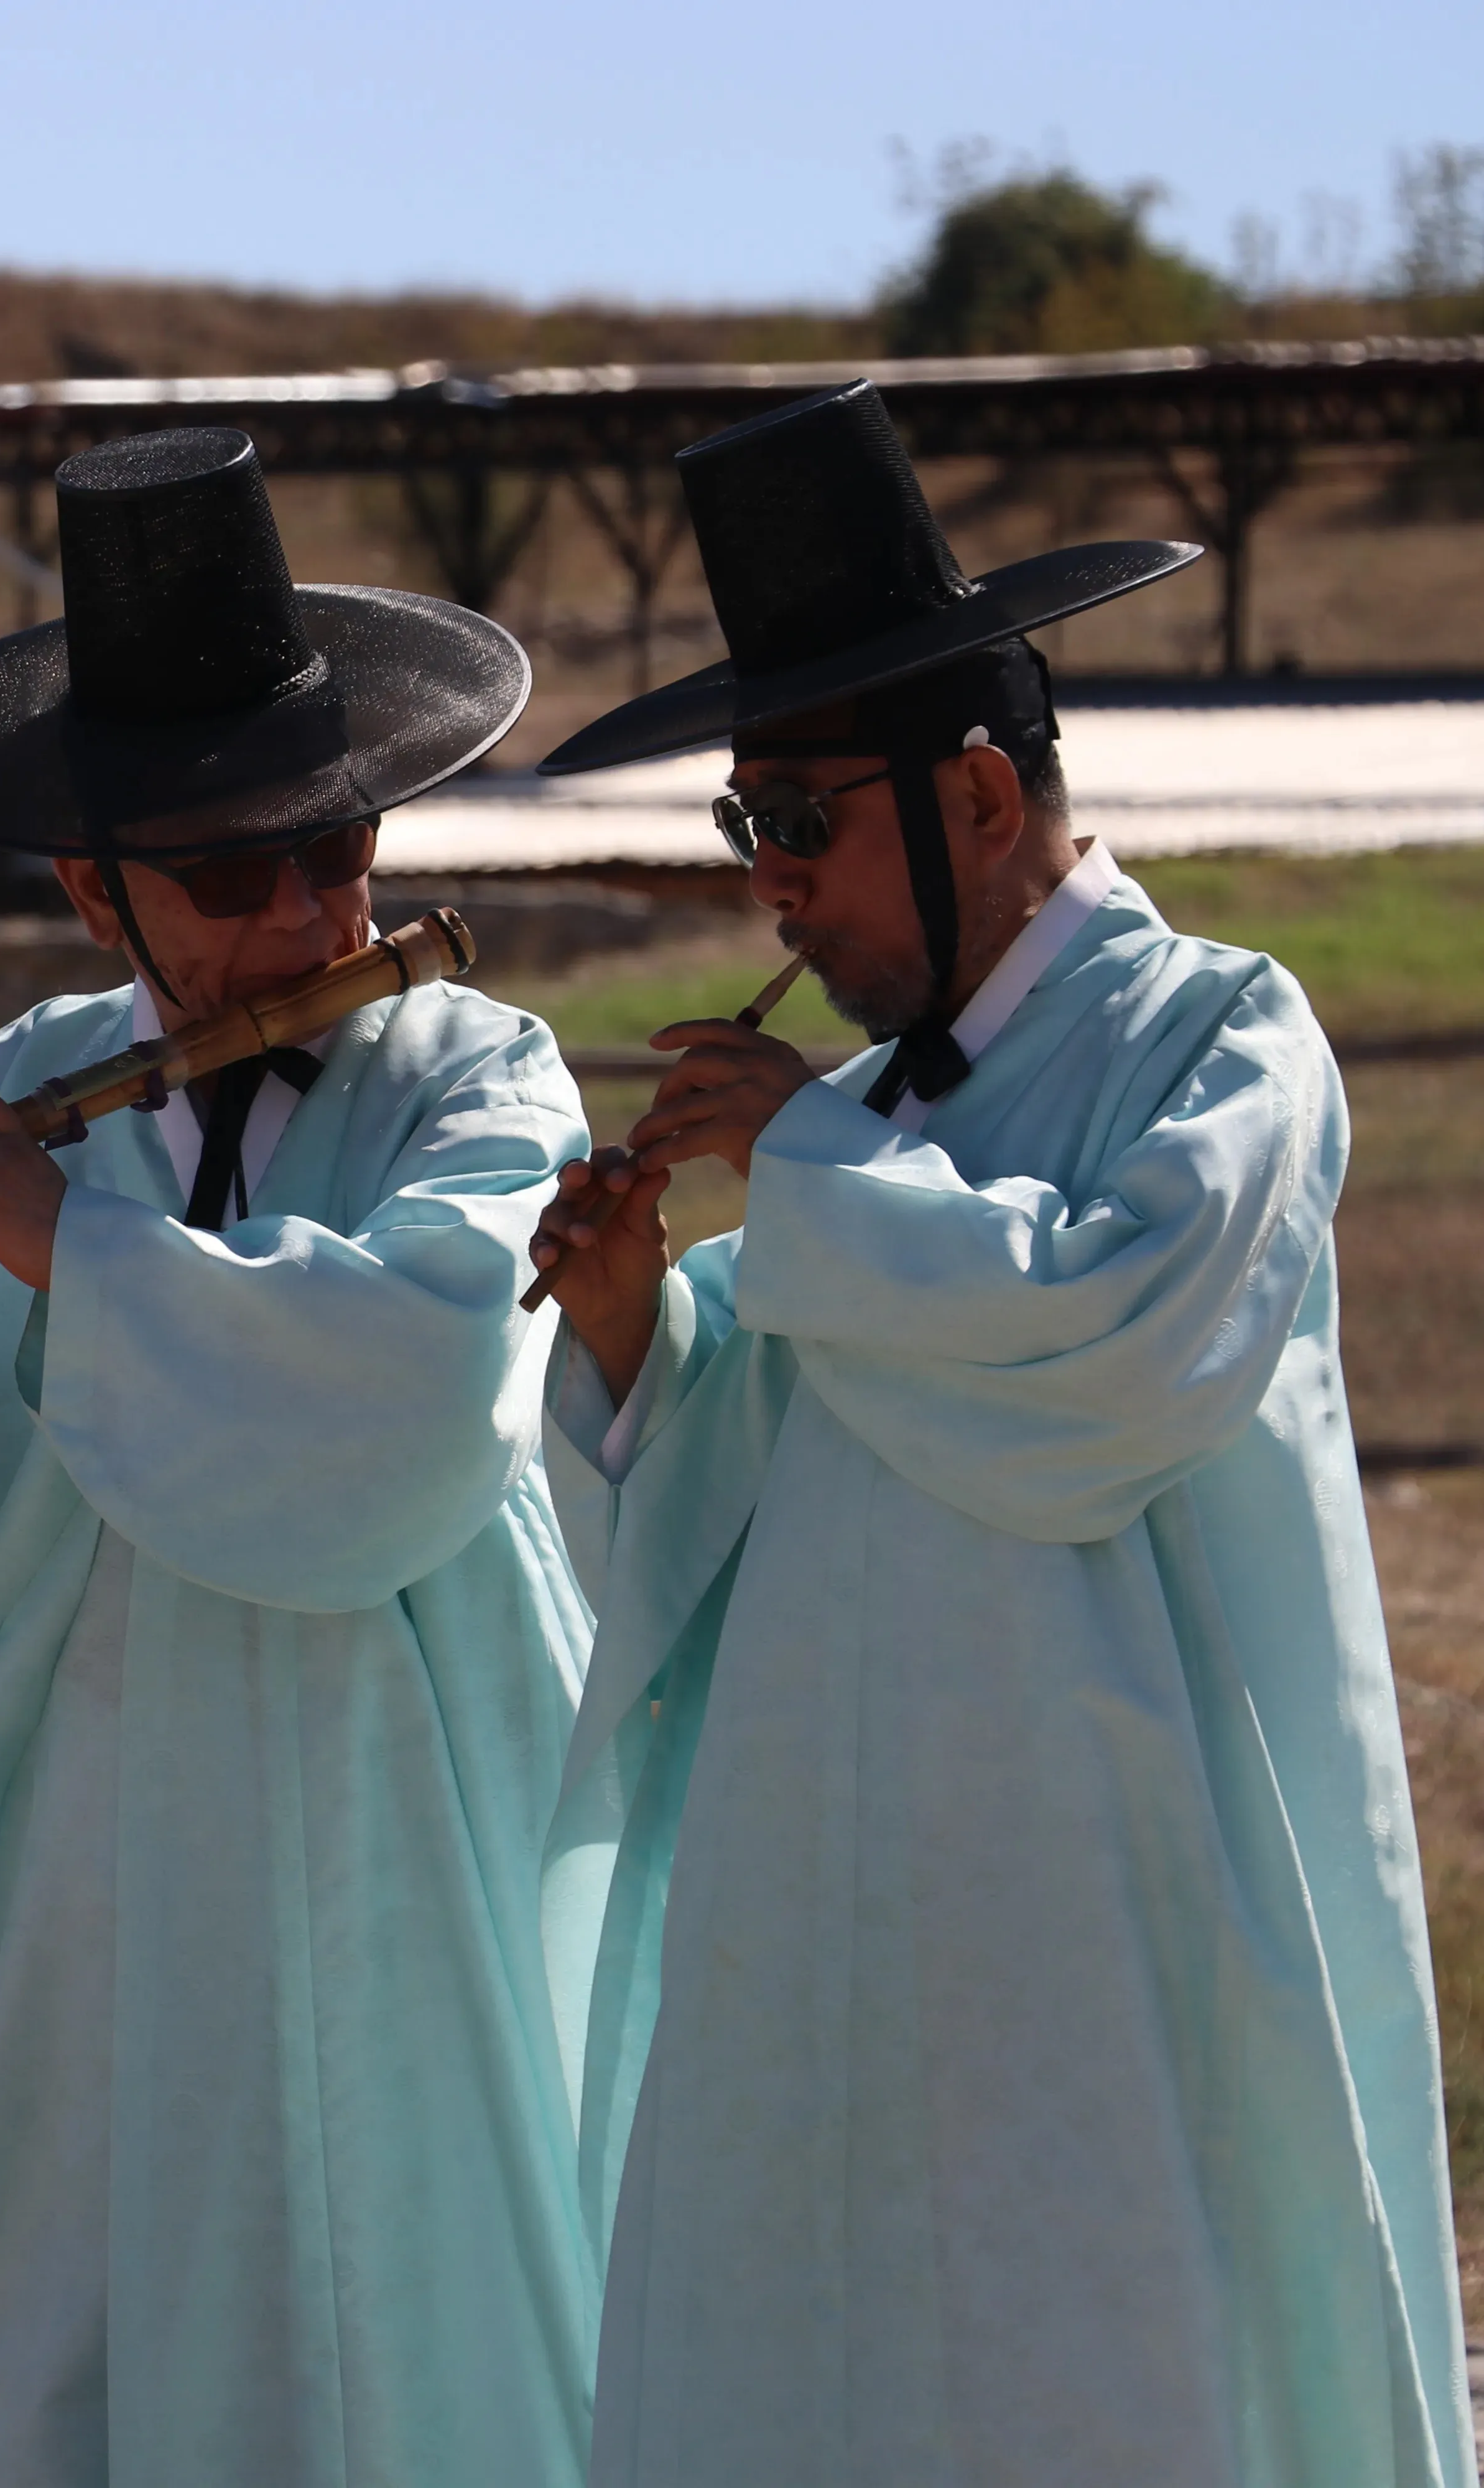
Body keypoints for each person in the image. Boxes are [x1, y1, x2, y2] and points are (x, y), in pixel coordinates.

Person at [526, 380, 1473, 2488]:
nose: (771, 892)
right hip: (822, 1921)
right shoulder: (852, 1121)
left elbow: (1109, 1358)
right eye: (740, 830)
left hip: (1095, 1918)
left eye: (800, 823)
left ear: (972, 796)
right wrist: (625, 1351)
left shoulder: (1221, 1035)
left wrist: (811, 1184)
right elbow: (739, 1510)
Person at [0, 427, 604, 2487]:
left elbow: (429, 1385)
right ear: (97, 887)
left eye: (337, 851)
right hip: (74, 1848)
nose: (303, 912)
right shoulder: (8, 1096)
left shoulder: (481, 1070)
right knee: (64, 2341)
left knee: (385, 2322)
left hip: (393, 1816)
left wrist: (69, 1245)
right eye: (229, 873)